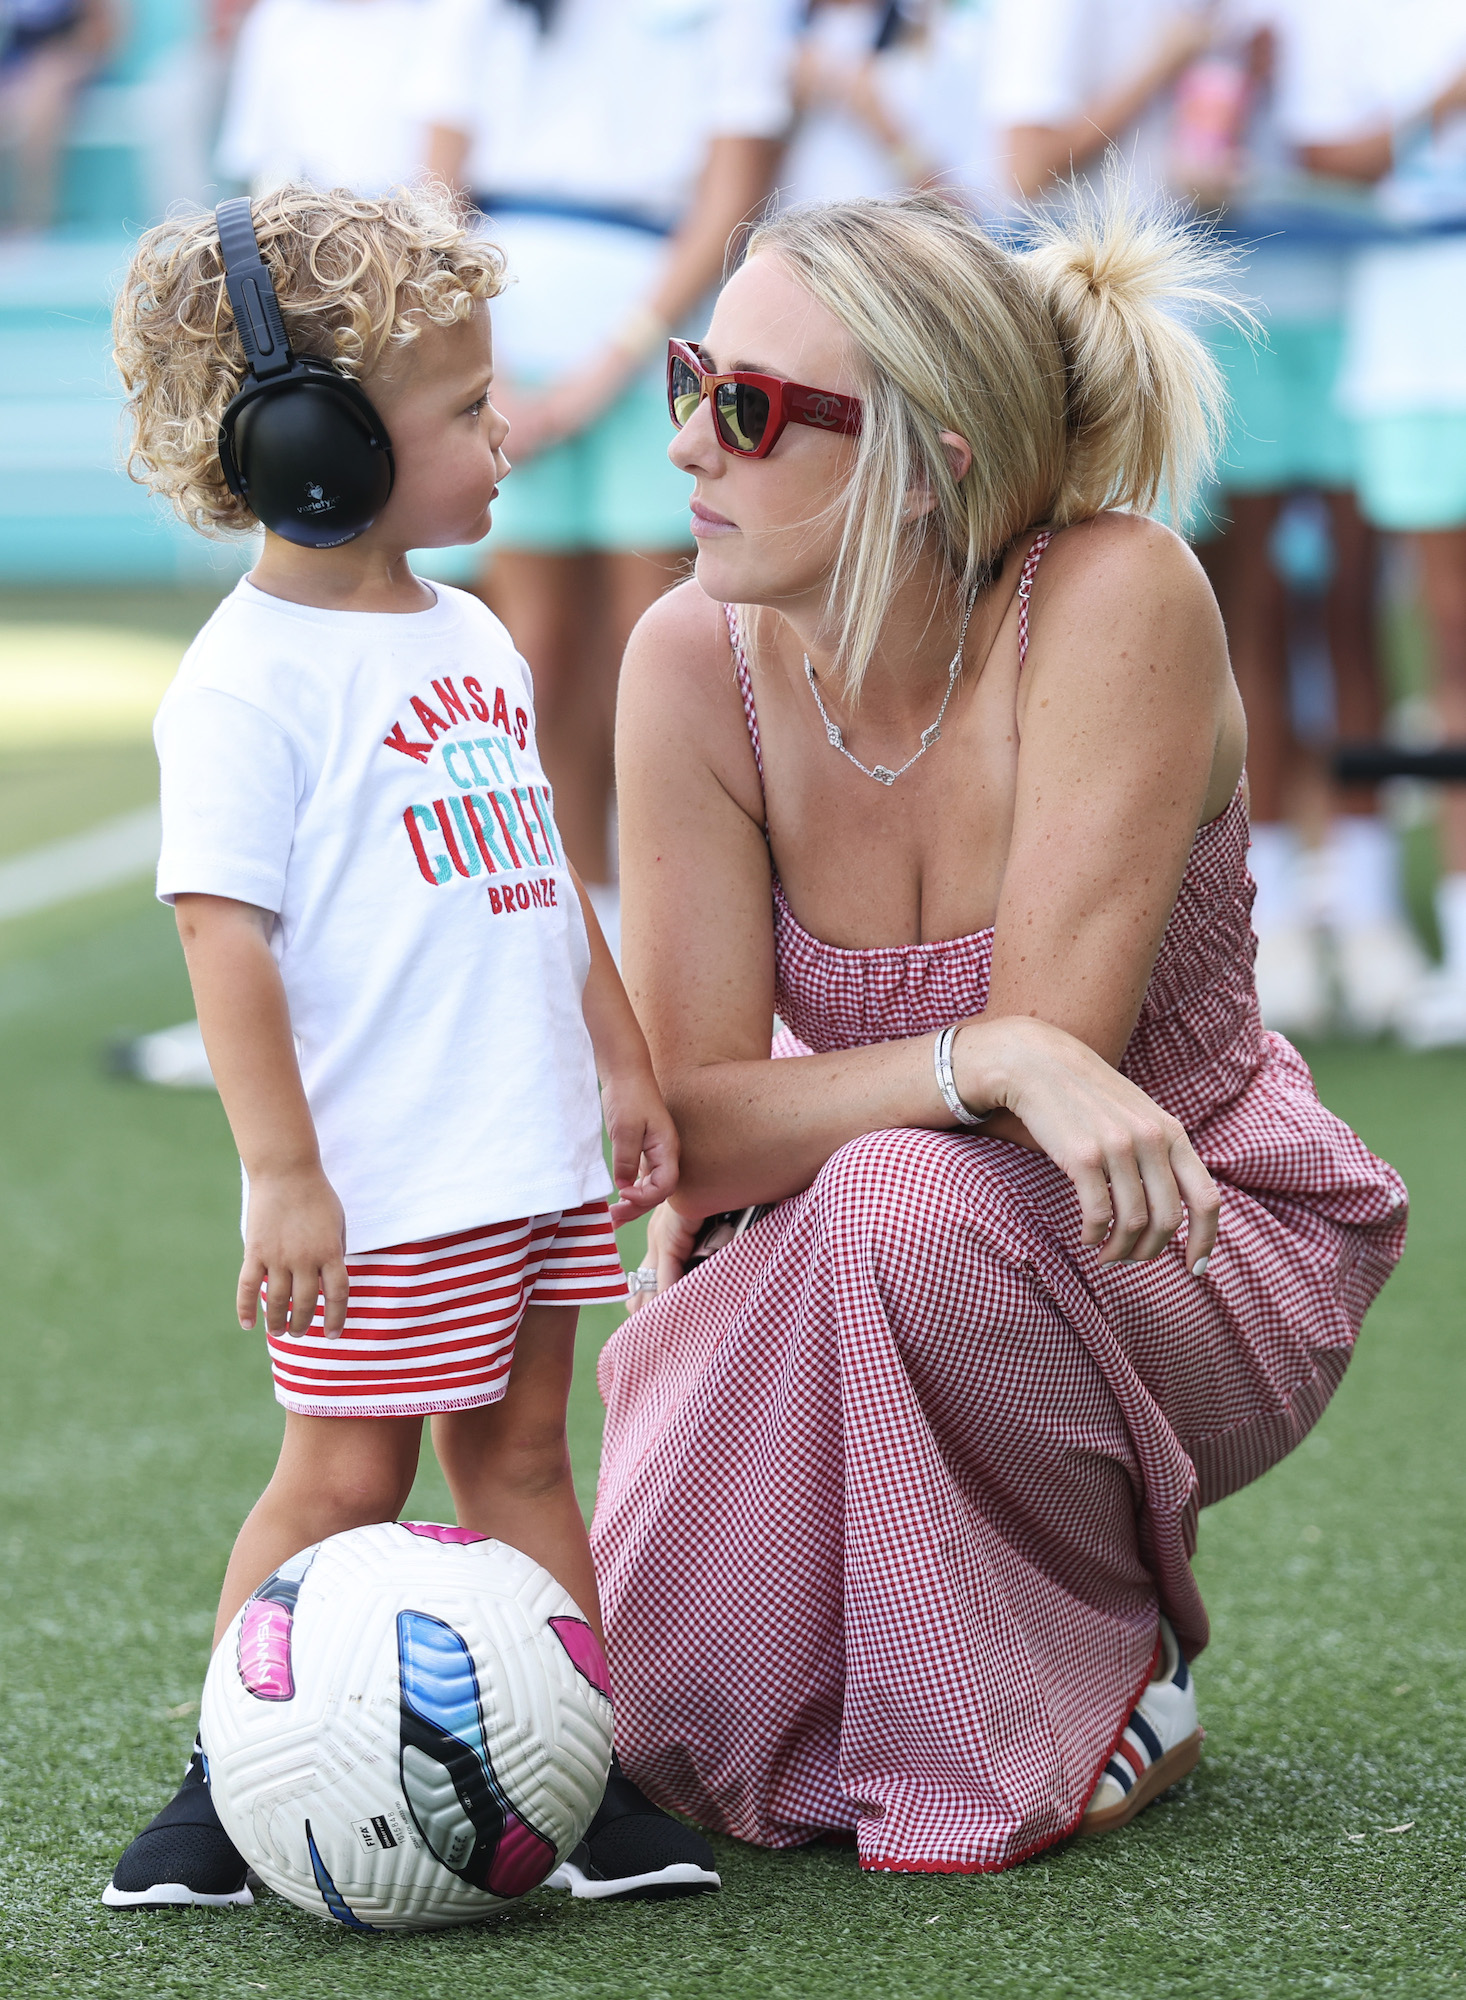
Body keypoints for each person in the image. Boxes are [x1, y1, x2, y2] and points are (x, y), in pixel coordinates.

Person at [592, 188, 1407, 1874]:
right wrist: (986, 1056)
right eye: (690, 379)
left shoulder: (1117, 597)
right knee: (666, 1727)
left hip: (1189, 1238)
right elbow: (688, 1126)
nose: (687, 447)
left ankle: (1109, 1663)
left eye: (748, 410)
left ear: (935, 460)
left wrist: (1004, 1060)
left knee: (901, 1194)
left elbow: (1062, 1061)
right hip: (833, 1235)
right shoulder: (689, 660)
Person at [102, 181, 712, 1911]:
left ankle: (579, 1775)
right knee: (341, 1480)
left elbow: (535, 874)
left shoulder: (473, 635)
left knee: (522, 1454)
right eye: (463, 407)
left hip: (518, 1152)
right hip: (382, 1186)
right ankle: (231, 1780)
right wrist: (285, 1177)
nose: (503, 428)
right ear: (321, 443)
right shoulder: (245, 683)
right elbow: (221, 936)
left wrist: (619, 1058)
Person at [416, 0, 797, 949]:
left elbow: (728, 199)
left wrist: (614, 361)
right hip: (502, 332)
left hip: (654, 341)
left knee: (659, 636)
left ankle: (678, 927)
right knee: (529, 647)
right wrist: (482, 362)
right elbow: (434, 187)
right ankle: (559, 919)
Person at [1277, 0, 1466, 1047]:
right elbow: (1317, 155)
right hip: (1411, 361)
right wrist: (1438, 105)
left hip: (1410, 357)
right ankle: (1456, 930)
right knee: (1445, 650)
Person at [215, 0, 437, 196]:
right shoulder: (278, 17)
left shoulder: (433, 17)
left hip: (406, 222)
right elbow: (254, 159)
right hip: (303, 222)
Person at [0, 0, 115, 230]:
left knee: (41, 101)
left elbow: (104, 31)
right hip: (18, 64)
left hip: (69, 57)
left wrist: (63, 59)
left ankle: (32, 216)